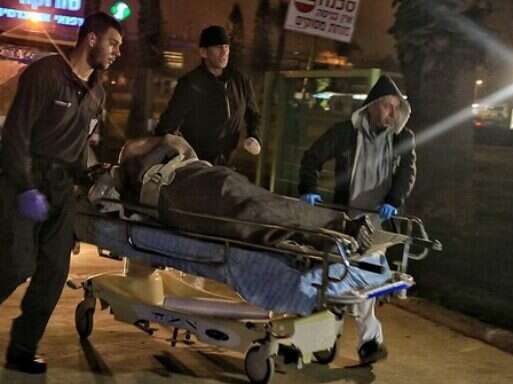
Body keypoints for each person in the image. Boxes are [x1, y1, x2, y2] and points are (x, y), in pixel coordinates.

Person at [0, 12, 123, 374]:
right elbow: (16, 133)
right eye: (113, 43)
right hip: (26, 180)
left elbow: (82, 144)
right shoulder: (47, 74)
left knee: (54, 270)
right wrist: (24, 187)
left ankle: (22, 349)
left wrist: (90, 178)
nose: (117, 52)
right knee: (16, 264)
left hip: (63, 187)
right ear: (92, 39)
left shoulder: (97, 92)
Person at [298, 74, 417, 365]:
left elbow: (406, 173)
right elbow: (313, 157)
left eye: (397, 108)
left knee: (363, 280)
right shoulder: (346, 134)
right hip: (345, 219)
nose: (392, 113)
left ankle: (365, 342)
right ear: (372, 106)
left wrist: (393, 201)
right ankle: (329, 340)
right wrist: (309, 188)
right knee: (335, 278)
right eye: (387, 106)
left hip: (376, 223)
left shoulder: (402, 138)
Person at [95, 134, 375, 254]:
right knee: (261, 210)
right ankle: (331, 229)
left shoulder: (130, 161)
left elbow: (164, 144)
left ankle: (335, 227)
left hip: (194, 189)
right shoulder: (131, 168)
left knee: (258, 211)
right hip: (198, 186)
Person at [154, 25, 261, 165]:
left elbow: (253, 114)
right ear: (204, 52)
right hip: (196, 165)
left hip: (229, 164)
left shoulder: (240, 81)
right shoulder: (190, 84)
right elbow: (168, 125)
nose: (224, 52)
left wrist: (254, 136)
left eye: (226, 47)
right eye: (218, 47)